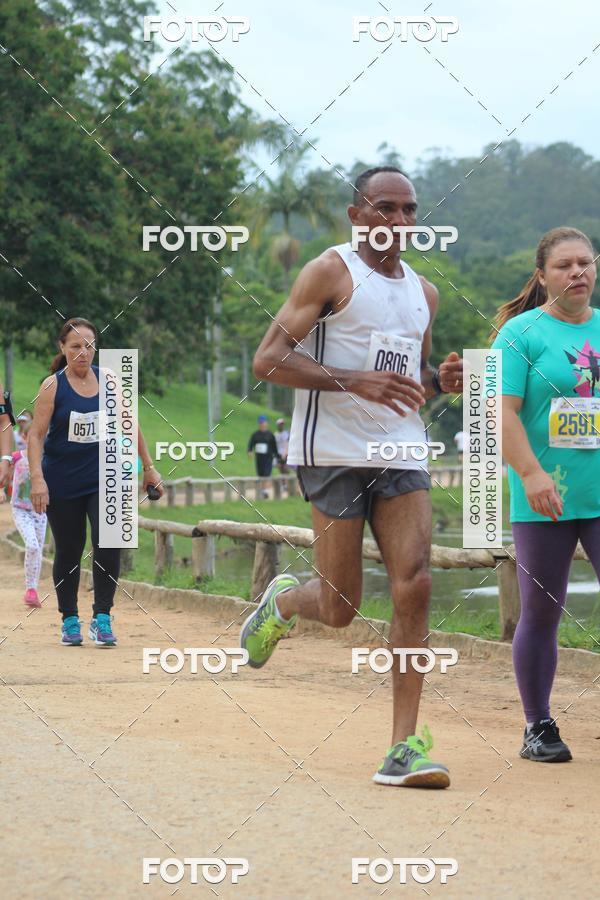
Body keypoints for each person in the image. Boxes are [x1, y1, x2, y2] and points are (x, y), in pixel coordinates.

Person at [241, 167, 463, 788]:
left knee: (413, 583)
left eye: (409, 210)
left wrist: (437, 384)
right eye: (384, 208)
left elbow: (404, 381)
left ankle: (403, 748)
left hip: (401, 452)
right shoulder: (329, 272)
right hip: (332, 451)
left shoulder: (425, 293)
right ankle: (284, 602)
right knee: (339, 606)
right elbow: (267, 361)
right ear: (357, 215)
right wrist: (349, 381)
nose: (398, 221)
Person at [491, 226, 600, 763]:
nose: (577, 272)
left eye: (585, 262)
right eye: (564, 265)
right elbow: (500, 412)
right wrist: (531, 474)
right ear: (542, 276)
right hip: (544, 496)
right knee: (541, 610)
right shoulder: (519, 335)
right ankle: (538, 726)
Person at [28, 317, 164, 646]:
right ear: (62, 348)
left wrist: (149, 467)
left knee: (108, 541)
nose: (83, 352)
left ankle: (102, 616)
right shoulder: (52, 385)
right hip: (62, 481)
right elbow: (35, 435)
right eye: (75, 346)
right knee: (70, 550)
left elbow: (131, 426)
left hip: (103, 478)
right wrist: (37, 479)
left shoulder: (111, 380)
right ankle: (70, 619)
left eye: (89, 345)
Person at [10, 417, 47, 608]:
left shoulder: (48, 460)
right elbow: (4, 472)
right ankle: (30, 588)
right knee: (32, 545)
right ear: (24, 437)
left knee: (38, 549)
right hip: (20, 509)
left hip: (40, 511)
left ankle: (33, 591)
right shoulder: (16, 457)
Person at [247, 415, 279, 489]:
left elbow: (274, 446)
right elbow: (251, 444)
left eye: (263, 423)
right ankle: (263, 489)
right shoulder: (255, 435)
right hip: (259, 458)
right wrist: (250, 451)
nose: (262, 424)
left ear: (266, 423)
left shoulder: (270, 435)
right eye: (260, 423)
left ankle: (265, 490)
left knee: (266, 474)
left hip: (268, 458)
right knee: (260, 474)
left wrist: (277, 456)